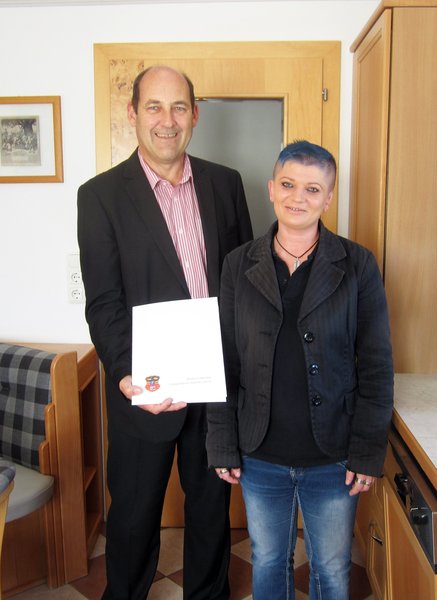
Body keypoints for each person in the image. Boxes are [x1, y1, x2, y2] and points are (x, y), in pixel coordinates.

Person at [77, 65, 253, 600]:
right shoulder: (100, 196)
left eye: (178, 107)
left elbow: (243, 284)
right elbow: (104, 302)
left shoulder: (225, 184)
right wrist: (127, 376)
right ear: (133, 113)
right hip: (144, 390)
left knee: (211, 512)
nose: (167, 120)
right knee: (132, 519)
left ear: (194, 115)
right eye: (154, 106)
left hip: (214, 388)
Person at [206, 140, 393, 600]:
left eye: (312, 189)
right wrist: (222, 443)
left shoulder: (357, 264)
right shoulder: (238, 264)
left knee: (331, 567)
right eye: (288, 185)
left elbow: (376, 365)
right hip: (260, 453)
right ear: (272, 189)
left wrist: (367, 451)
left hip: (333, 455)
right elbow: (223, 359)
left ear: (328, 198)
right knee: (269, 561)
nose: (298, 198)